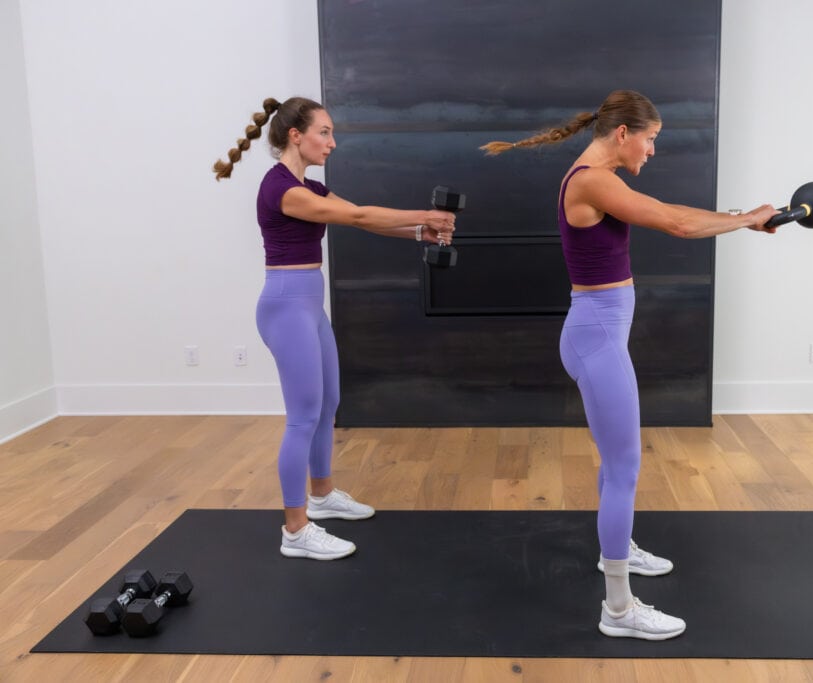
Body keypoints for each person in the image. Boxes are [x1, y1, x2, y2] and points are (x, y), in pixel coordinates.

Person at [481, 90, 777, 640]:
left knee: (616, 461)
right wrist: (746, 220)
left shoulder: (599, 176)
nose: (653, 150)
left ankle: (617, 548)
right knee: (625, 468)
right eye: (651, 139)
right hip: (596, 337)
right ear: (624, 134)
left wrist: (740, 218)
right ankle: (618, 610)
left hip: (597, 332)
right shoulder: (593, 179)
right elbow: (678, 226)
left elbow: (674, 214)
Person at [214, 97, 456, 560]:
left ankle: (322, 498)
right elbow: (359, 216)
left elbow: (361, 216)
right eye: (324, 132)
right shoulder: (281, 189)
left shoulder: (312, 188)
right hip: (286, 306)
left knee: (328, 405)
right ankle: (295, 529)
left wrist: (416, 233)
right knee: (303, 415)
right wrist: (423, 215)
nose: (332, 142)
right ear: (295, 136)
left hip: (308, 304)